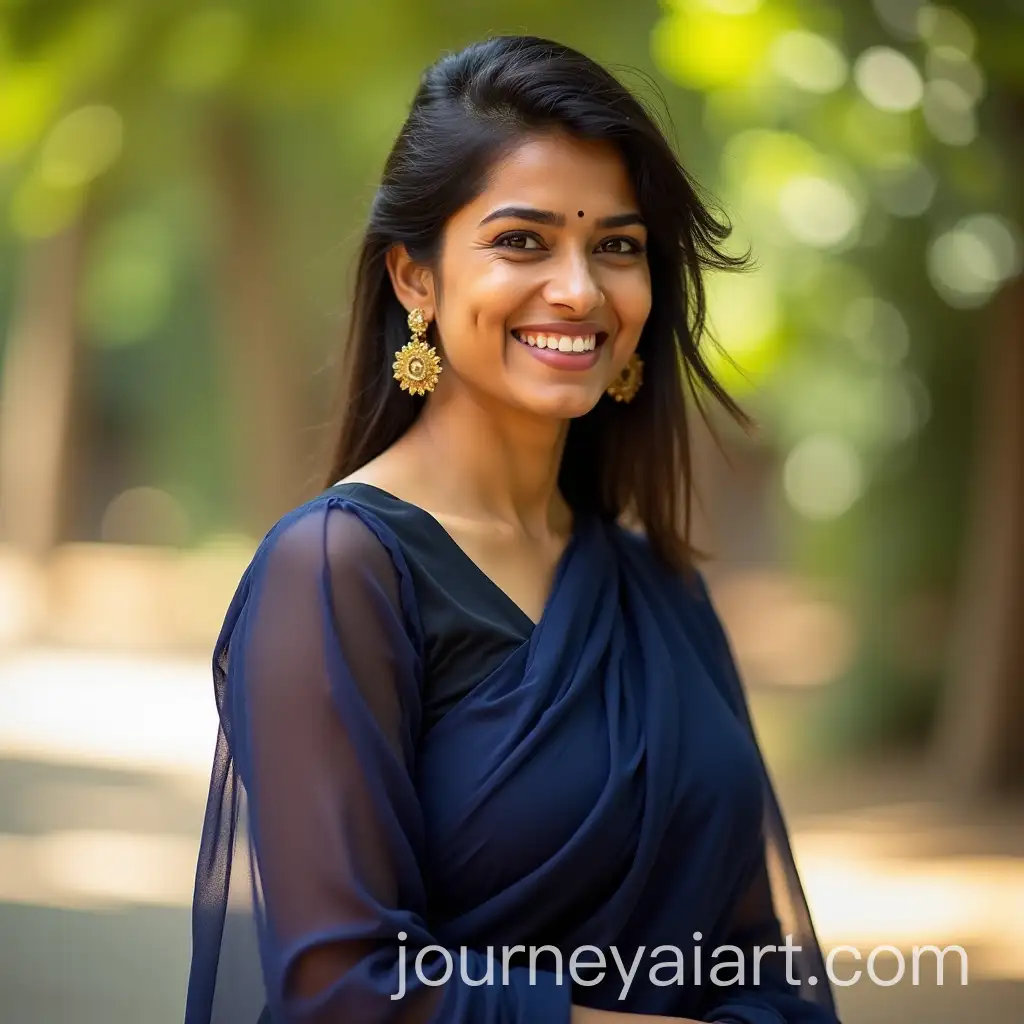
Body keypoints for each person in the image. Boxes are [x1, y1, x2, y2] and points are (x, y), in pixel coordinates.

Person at [183, 35, 842, 1024]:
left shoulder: (658, 587)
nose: (578, 290)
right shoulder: (340, 570)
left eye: (615, 245)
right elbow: (346, 991)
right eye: (522, 241)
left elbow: (753, 960)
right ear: (414, 279)